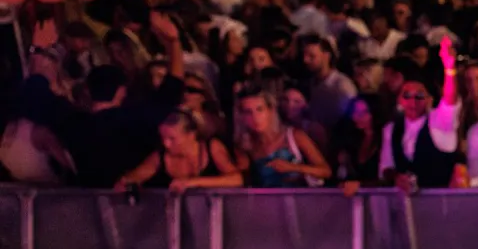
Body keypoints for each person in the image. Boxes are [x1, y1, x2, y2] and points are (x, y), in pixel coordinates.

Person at [379, 36, 461, 190]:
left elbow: (450, 101)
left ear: (430, 99)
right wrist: (397, 177)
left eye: (419, 96)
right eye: (407, 96)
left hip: (440, 203)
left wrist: (449, 69)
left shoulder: (439, 121)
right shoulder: (391, 129)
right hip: (406, 206)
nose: (413, 101)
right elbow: (386, 168)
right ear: (400, 100)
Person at [115, 110, 243, 192]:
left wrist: (192, 183)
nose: (166, 144)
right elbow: (132, 178)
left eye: (172, 138)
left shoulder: (211, 147)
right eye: (163, 138)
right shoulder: (160, 156)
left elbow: (237, 180)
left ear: (191, 135)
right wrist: (125, 184)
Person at [236, 85, 331, 187]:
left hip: (300, 200)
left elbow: (326, 171)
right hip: (266, 201)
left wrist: (293, 167)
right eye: (248, 112)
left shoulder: (294, 136)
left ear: (270, 110)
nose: (255, 117)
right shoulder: (246, 146)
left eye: (260, 109)